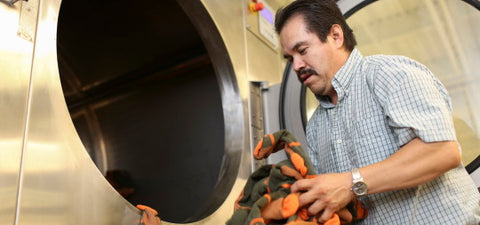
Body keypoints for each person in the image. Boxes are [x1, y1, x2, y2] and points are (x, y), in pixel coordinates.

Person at [274, 0, 480, 224]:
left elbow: (441, 151)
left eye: (302, 50)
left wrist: (349, 183)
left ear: (335, 36)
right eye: (290, 59)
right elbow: (337, 200)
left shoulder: (389, 74)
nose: (296, 66)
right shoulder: (315, 127)